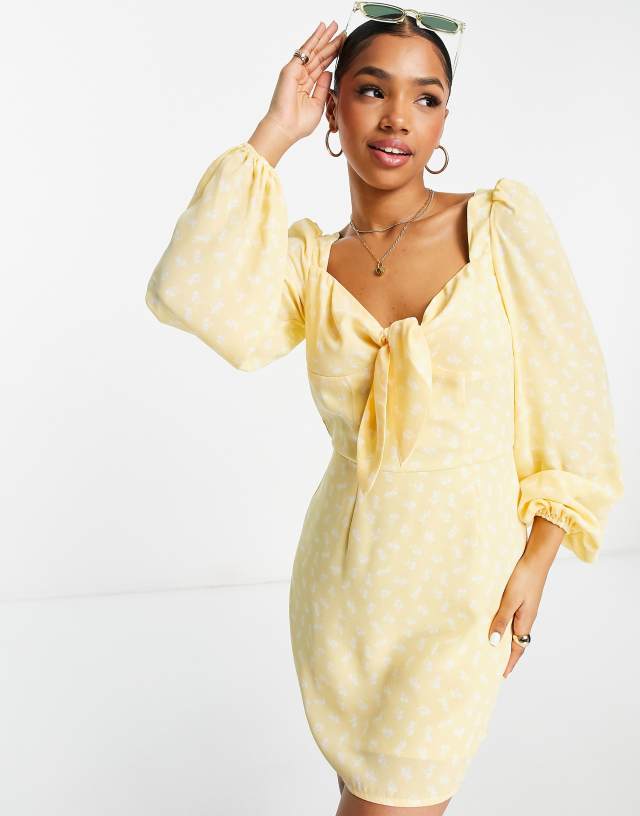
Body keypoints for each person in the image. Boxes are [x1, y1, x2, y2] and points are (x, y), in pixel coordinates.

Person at [144, 14, 624, 815]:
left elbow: (574, 402)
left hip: (466, 590)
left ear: (443, 121)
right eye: (372, 91)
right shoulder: (311, 262)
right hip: (343, 593)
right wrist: (275, 131)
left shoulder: (500, 227)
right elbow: (185, 289)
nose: (399, 117)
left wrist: (537, 561)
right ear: (334, 107)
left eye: (425, 98)